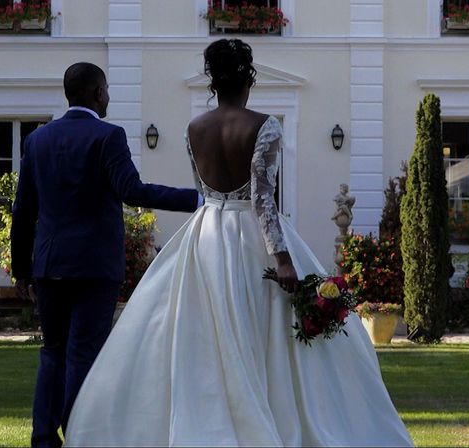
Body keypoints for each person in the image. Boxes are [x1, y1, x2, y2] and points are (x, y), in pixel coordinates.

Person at [64, 40, 413, 447]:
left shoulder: (194, 129)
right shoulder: (265, 125)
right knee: (269, 335)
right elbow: (264, 200)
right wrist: (282, 258)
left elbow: (203, 190)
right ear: (249, 78)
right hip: (252, 233)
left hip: (206, 234)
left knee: (202, 333)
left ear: (213, 82)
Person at [10, 62, 201, 448]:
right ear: (97, 93)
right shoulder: (107, 136)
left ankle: (44, 438)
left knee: (52, 352)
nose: (109, 97)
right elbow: (132, 191)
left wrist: (22, 271)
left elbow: (23, 210)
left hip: (48, 265)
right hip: (95, 265)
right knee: (84, 351)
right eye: (108, 90)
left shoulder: (37, 140)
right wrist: (197, 199)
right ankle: (80, 432)